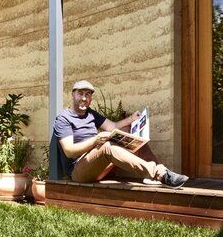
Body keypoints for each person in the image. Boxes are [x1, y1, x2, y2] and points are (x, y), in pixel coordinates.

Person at [52, 80, 189, 188]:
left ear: (91, 98)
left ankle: (155, 173)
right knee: (107, 146)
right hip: (79, 171)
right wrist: (96, 140)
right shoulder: (64, 118)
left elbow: (113, 126)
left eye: (88, 94)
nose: (84, 98)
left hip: (98, 165)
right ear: (72, 95)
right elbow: (69, 151)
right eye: (80, 93)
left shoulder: (91, 114)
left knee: (128, 132)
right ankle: (159, 174)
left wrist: (131, 119)